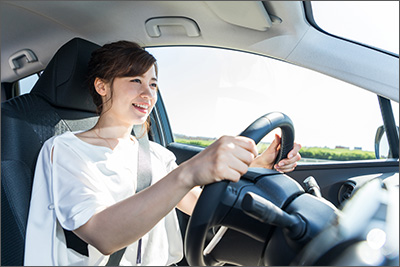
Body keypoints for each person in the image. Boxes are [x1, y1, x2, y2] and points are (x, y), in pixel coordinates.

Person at [24, 41, 301, 266]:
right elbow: (102, 235)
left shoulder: (155, 155)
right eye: (135, 80)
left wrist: (257, 166)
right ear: (102, 86)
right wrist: (188, 173)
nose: (148, 94)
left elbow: (198, 204)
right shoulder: (66, 150)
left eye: (153, 84)